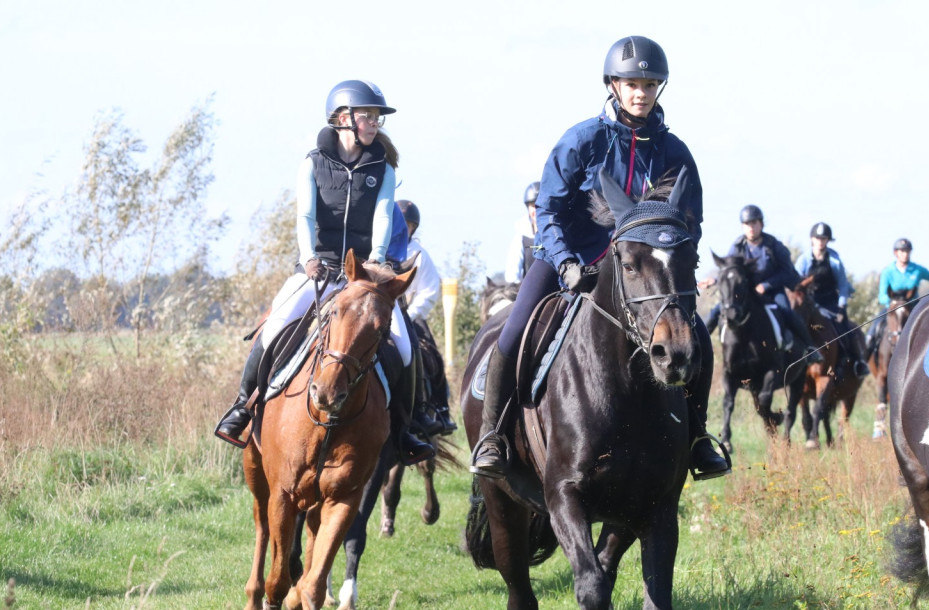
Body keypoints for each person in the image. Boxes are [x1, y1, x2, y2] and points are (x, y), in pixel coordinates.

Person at [469, 35, 730, 481]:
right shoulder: (582, 140)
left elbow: (691, 221)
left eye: (649, 85)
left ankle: (699, 439)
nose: (640, 93)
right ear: (613, 85)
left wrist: (674, 263)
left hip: (641, 272)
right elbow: (548, 211)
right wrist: (567, 262)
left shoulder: (674, 152)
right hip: (568, 260)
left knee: (697, 335)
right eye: (631, 83)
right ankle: (492, 434)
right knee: (513, 332)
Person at [214, 79, 434, 464]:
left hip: (364, 274)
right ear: (343, 118)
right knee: (274, 325)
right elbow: (305, 215)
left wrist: (378, 258)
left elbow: (385, 214)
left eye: (377, 118)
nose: (374, 123)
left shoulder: (381, 167)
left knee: (403, 341)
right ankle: (241, 409)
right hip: (318, 267)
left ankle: (407, 428)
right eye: (367, 116)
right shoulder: (312, 163)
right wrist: (308, 255)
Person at [699, 205, 824, 365]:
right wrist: (715, 281)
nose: (751, 227)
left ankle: (809, 349)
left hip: (773, 291)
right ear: (743, 226)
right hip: (747, 292)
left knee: (787, 311)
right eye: (747, 224)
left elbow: (788, 273)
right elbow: (731, 273)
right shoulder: (737, 246)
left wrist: (766, 285)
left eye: (754, 223)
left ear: (761, 224)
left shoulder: (774, 246)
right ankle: (700, 345)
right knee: (719, 309)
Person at [397, 199, 458, 435]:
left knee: (432, 355)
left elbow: (430, 291)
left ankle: (441, 410)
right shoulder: (377, 248)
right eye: (401, 224)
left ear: (414, 228)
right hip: (381, 312)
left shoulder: (420, 254)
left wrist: (411, 315)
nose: (404, 229)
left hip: (410, 314)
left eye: (409, 225)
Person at [793, 222, 869, 377]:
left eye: (824, 238)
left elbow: (843, 284)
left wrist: (842, 307)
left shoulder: (834, 260)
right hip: (809, 303)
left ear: (828, 240)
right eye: (818, 238)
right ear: (812, 239)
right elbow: (795, 285)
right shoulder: (803, 260)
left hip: (831, 303)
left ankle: (857, 362)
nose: (820, 242)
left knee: (846, 329)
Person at [866, 238, 929, 349]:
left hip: (912, 306)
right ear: (896, 253)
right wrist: (891, 303)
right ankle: (864, 360)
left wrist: (927, 298)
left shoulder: (917, 269)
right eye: (902, 251)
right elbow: (882, 295)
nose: (905, 254)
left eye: (907, 251)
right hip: (892, 307)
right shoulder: (888, 271)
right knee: (872, 332)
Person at [503, 182, 540, 284]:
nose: (537, 211)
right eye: (533, 206)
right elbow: (512, 275)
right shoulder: (521, 238)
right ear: (528, 208)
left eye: (539, 206)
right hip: (531, 288)